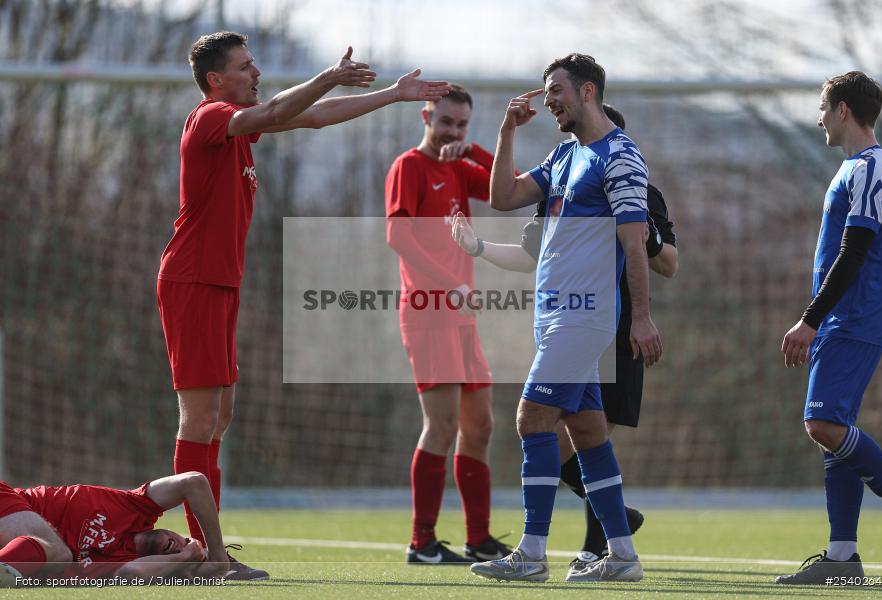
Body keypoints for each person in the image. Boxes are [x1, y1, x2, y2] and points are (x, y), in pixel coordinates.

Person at [156, 31, 450, 580]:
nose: (256, 72)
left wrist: (390, 94)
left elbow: (311, 115)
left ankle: (202, 548)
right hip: (193, 281)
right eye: (245, 67)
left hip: (218, 284)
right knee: (198, 419)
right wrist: (327, 76)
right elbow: (280, 106)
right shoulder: (210, 119)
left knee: (220, 415)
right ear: (216, 81)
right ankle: (205, 554)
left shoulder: (241, 132)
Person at [454, 103, 677, 580]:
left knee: (532, 419)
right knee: (587, 433)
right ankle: (621, 554)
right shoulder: (563, 159)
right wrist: (506, 130)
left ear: (588, 94)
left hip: (585, 317)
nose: (549, 100)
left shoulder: (620, 159)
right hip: (557, 316)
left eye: (557, 89)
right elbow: (504, 198)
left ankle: (532, 554)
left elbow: (643, 248)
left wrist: (642, 316)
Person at [777, 71, 882, 585]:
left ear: (844, 110)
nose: (818, 117)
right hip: (844, 317)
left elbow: (855, 251)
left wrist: (809, 319)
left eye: (823, 107)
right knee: (833, 428)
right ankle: (842, 558)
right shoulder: (857, 167)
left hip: (854, 315)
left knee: (822, 424)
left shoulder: (872, 169)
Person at [385, 84, 512, 565]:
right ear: (426, 116)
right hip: (428, 309)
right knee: (440, 426)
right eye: (445, 123)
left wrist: (478, 150)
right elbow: (398, 235)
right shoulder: (409, 167)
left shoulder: (461, 165)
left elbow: (511, 187)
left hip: (462, 313)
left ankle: (478, 539)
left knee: (480, 426)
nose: (452, 132)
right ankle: (422, 542)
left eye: (462, 125)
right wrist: (448, 282)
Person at [0, 472, 229, 587]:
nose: (180, 547)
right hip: (6, 502)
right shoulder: (137, 508)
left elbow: (131, 575)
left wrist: (185, 557)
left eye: (189, 561)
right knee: (59, 553)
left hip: (14, 551)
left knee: (56, 555)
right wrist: (217, 555)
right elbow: (193, 481)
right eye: (188, 542)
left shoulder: (124, 564)